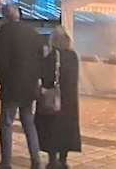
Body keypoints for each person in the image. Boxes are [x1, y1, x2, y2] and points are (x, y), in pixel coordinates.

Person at [0, 3, 43, 169]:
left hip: (12, 87)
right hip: (29, 86)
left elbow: (0, 60)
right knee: (29, 123)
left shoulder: (5, 32)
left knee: (6, 123)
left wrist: (3, 81)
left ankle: (6, 162)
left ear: (6, 17)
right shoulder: (33, 32)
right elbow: (40, 58)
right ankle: (36, 162)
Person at [35, 27, 82, 169]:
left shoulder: (52, 56)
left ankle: (52, 160)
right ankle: (63, 159)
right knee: (67, 129)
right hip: (70, 100)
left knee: (51, 128)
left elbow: (45, 77)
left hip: (54, 100)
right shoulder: (73, 56)